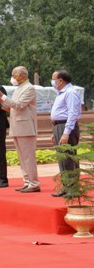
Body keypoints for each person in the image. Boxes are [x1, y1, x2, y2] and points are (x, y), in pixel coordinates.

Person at [0, 66, 39, 193]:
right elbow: (12, 107)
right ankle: (27, 182)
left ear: (23, 75)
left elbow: (18, 105)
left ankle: (34, 183)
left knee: (28, 157)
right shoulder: (19, 88)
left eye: (15, 75)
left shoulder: (29, 88)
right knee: (22, 157)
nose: (13, 77)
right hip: (17, 126)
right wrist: (2, 102)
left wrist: (2, 96)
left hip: (26, 127)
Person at [49, 69, 82, 197]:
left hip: (67, 127)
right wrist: (55, 130)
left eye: (53, 79)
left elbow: (72, 113)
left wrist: (66, 132)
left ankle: (73, 189)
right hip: (59, 126)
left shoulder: (70, 92)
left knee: (69, 157)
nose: (52, 82)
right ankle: (66, 186)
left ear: (60, 80)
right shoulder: (61, 92)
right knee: (62, 158)